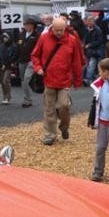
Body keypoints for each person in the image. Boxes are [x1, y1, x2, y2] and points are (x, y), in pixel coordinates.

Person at [32, 16, 85, 145]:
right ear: (52, 28)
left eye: (61, 30)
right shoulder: (44, 38)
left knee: (64, 106)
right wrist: (38, 68)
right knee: (49, 109)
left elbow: (77, 61)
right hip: (49, 79)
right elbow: (35, 55)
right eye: (56, 30)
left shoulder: (72, 40)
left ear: (65, 28)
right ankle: (50, 135)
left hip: (64, 80)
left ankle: (64, 127)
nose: (59, 33)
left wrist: (78, 80)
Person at [18, 18, 40, 109]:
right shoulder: (21, 34)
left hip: (31, 60)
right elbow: (18, 47)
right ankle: (27, 96)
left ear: (31, 25)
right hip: (22, 59)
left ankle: (28, 99)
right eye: (24, 24)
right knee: (23, 80)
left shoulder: (37, 35)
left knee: (26, 78)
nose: (25, 26)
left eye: (27, 24)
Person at [83, 14, 108, 84]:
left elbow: (99, 41)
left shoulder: (98, 30)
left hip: (96, 50)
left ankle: (88, 79)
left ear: (93, 22)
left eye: (90, 21)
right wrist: (84, 44)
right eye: (88, 21)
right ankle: (92, 78)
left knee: (93, 65)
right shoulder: (87, 29)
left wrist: (90, 45)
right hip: (90, 50)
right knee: (91, 64)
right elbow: (85, 38)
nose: (88, 23)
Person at [0, 32, 18, 105]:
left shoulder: (13, 46)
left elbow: (13, 56)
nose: (4, 39)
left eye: (6, 37)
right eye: (3, 37)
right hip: (2, 65)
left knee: (5, 80)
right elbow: (0, 55)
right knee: (2, 82)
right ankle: (5, 96)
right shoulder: (1, 46)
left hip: (9, 65)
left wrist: (9, 63)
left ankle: (8, 96)